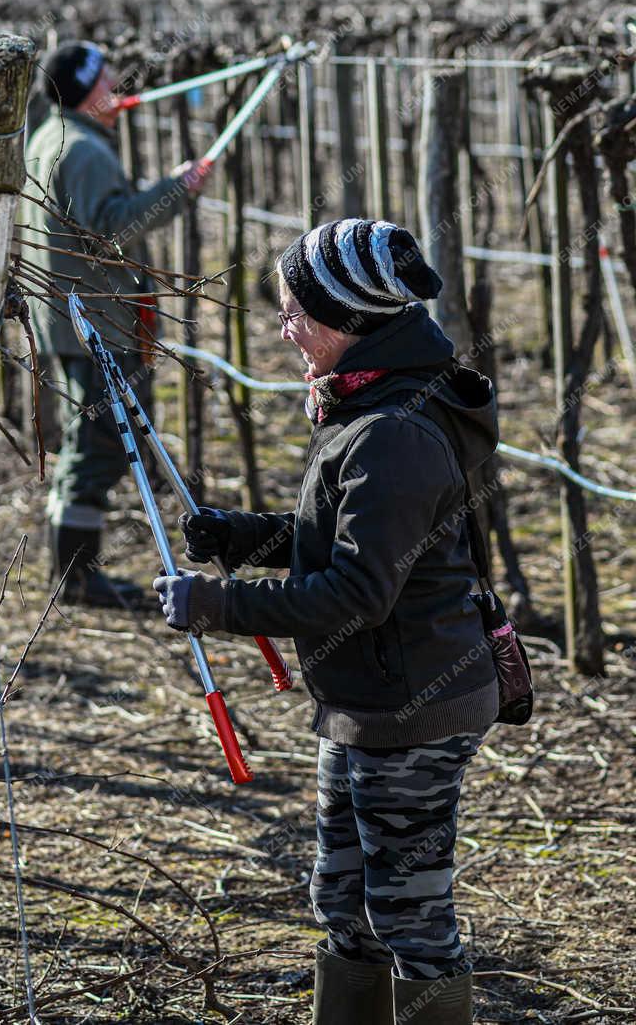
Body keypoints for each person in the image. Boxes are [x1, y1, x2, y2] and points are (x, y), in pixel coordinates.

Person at [152, 218, 500, 1024]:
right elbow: (349, 533)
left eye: (293, 313)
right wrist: (245, 537)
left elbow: (358, 591)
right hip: (366, 700)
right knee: (342, 901)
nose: (281, 329)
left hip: (412, 705)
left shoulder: (392, 432)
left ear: (347, 319)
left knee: (408, 916)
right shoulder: (367, 399)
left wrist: (218, 606)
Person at [18, 39, 212, 606]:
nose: (115, 88)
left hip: (72, 317)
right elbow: (110, 230)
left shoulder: (52, 138)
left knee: (90, 438)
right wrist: (177, 190)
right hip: (96, 323)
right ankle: (76, 578)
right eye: (104, 80)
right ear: (83, 91)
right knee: (100, 444)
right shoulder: (83, 150)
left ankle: (72, 569)